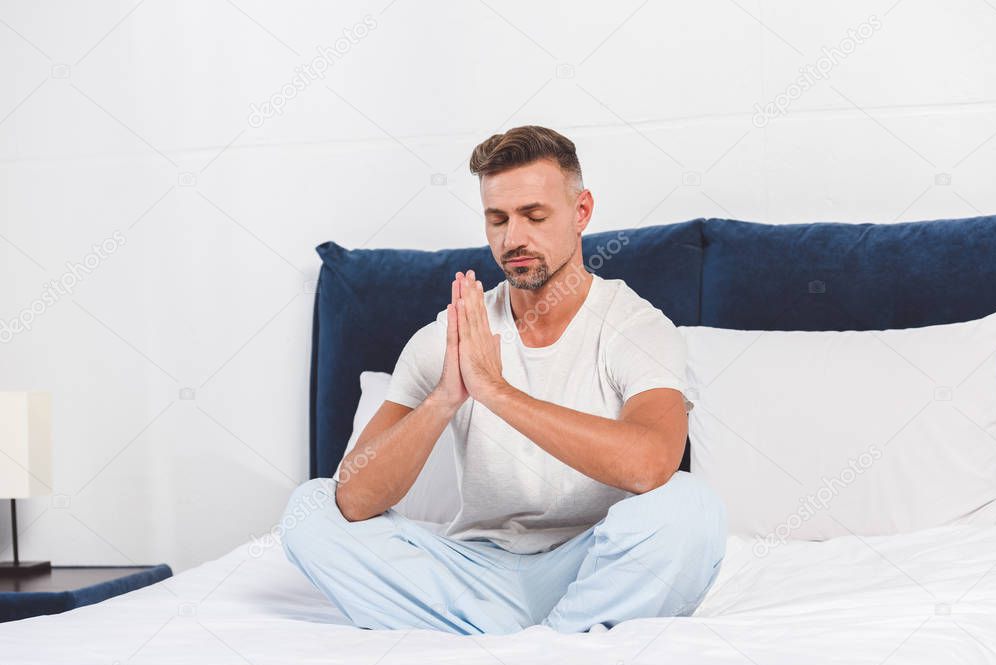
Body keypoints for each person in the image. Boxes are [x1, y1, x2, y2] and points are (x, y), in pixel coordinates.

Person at [281, 125, 727, 635]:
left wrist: (497, 391)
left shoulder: (636, 327)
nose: (513, 238)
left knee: (692, 509)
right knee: (310, 510)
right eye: (498, 219)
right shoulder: (449, 335)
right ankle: (557, 641)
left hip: (596, 565)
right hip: (475, 573)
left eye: (534, 216)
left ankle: (517, 641)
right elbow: (355, 498)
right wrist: (446, 398)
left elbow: (651, 465)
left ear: (581, 212)